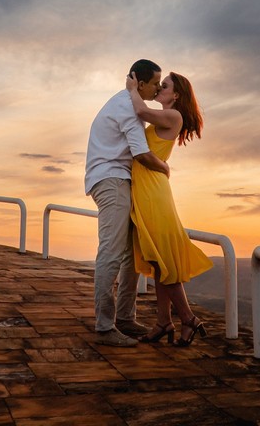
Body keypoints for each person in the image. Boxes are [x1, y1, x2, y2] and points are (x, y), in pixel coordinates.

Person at [84, 59, 171, 347]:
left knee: (128, 252)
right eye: (156, 83)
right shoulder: (128, 109)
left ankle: (124, 318)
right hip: (112, 179)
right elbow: (141, 153)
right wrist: (164, 168)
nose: (158, 88)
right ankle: (105, 326)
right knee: (111, 251)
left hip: (118, 179)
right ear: (141, 82)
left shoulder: (129, 102)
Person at [125, 70, 213, 347]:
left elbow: (140, 110)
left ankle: (187, 318)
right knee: (158, 261)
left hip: (153, 193)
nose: (159, 88)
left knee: (162, 259)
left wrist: (131, 88)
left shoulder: (174, 116)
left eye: (164, 86)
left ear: (176, 95)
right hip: (147, 188)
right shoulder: (168, 117)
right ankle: (164, 321)